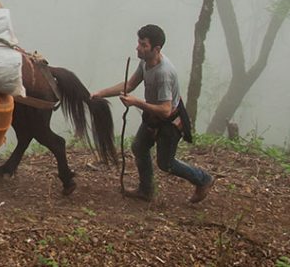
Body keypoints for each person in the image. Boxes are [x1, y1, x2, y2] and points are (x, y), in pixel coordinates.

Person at [91, 24, 215, 203]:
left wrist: (136, 102)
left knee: (166, 164)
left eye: (143, 45)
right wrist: (101, 93)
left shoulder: (164, 73)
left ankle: (203, 179)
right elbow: (130, 84)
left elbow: (165, 110)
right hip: (152, 117)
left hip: (169, 123)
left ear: (156, 49)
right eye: (138, 43)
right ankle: (146, 190)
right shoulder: (145, 62)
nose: (138, 48)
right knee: (139, 147)